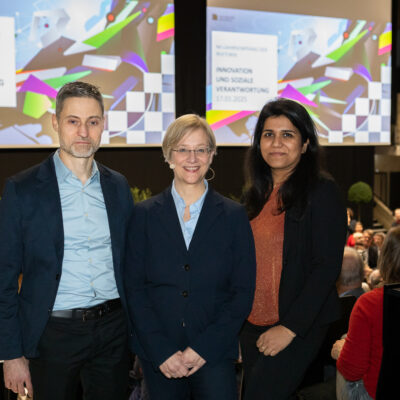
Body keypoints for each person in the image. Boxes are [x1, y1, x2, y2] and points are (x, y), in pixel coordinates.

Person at [0, 82, 134, 400]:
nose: (84, 132)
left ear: (103, 125)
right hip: (52, 336)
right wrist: (11, 354)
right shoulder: (22, 190)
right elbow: (3, 278)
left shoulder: (118, 187)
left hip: (113, 333)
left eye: (93, 121)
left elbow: (132, 265)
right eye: (73, 121)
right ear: (56, 123)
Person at [124, 114, 256, 400]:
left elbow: (243, 292)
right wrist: (161, 350)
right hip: (159, 356)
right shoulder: (143, 215)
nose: (192, 157)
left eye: (201, 149)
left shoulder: (234, 216)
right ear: (168, 155)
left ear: (212, 155)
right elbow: (134, 290)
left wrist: (203, 349)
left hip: (214, 354)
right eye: (183, 149)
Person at [240, 98, 347, 400]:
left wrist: (289, 328)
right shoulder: (254, 195)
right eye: (268, 134)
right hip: (250, 325)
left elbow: (326, 267)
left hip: (296, 323)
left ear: (304, 144)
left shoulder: (322, 191)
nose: (276, 143)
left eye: (287, 135)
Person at [332, 226, 400, 399]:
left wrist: (341, 352)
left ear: (386, 258)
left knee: (344, 345)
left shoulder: (370, 303)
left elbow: (352, 370)